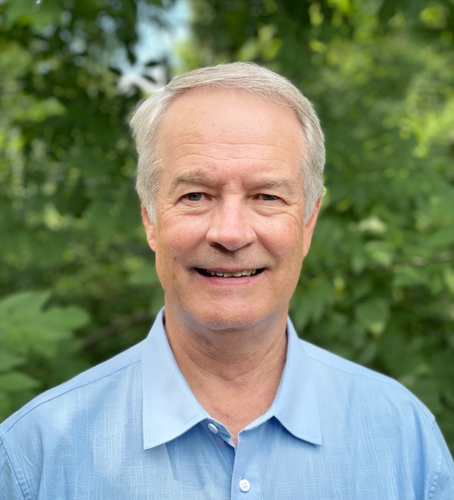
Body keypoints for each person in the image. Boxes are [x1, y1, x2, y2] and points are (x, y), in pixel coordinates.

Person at [1, 62, 453, 500]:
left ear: (308, 223)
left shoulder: (402, 437)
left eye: (267, 196)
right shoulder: (33, 456)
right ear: (150, 219)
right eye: (195, 195)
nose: (231, 233)